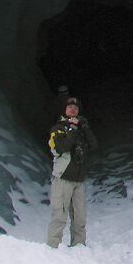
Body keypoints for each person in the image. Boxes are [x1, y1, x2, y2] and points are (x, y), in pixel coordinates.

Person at [46, 95, 98, 248]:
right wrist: (72, 129)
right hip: (63, 178)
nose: (73, 109)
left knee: (80, 217)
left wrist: (84, 128)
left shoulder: (82, 129)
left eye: (76, 107)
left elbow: (94, 145)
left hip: (78, 180)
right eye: (69, 107)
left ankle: (78, 246)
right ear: (64, 110)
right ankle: (52, 247)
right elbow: (61, 147)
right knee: (59, 215)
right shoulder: (58, 128)